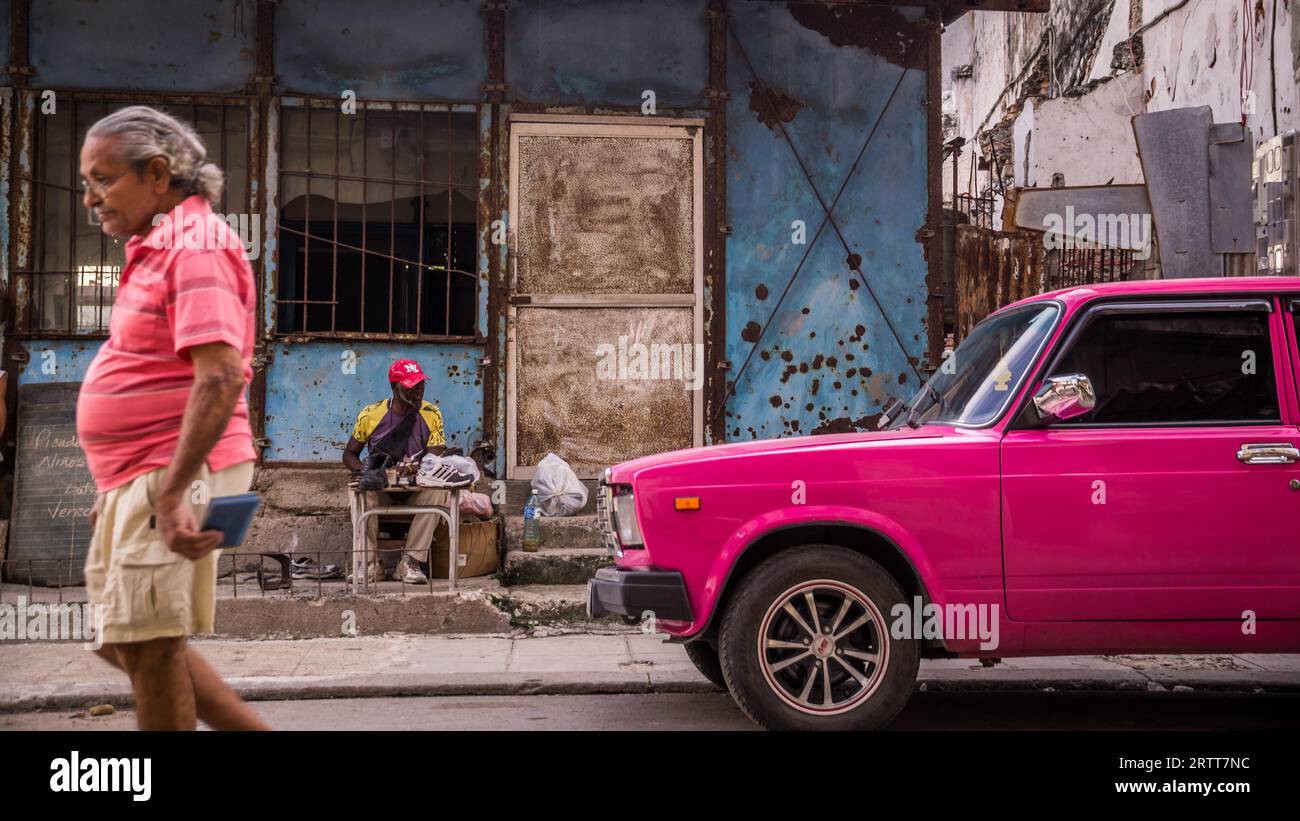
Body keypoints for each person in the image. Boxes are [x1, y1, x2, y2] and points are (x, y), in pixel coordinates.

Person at [76, 106, 268, 730]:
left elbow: (220, 375)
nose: (89, 198)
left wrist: (173, 489)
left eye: (102, 179)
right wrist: (120, 486)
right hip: (143, 472)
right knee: (124, 641)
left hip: (177, 468)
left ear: (157, 173)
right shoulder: (156, 246)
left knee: (151, 646)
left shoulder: (198, 244)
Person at [342, 359, 453, 584]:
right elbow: (349, 454)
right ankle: (370, 564)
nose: (419, 389)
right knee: (359, 493)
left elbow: (434, 458)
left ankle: (410, 562)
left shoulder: (432, 413)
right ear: (395, 387)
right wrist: (365, 471)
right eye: (412, 385)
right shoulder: (371, 414)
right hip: (382, 487)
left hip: (416, 489)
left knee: (439, 492)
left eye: (421, 383)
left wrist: (414, 470)